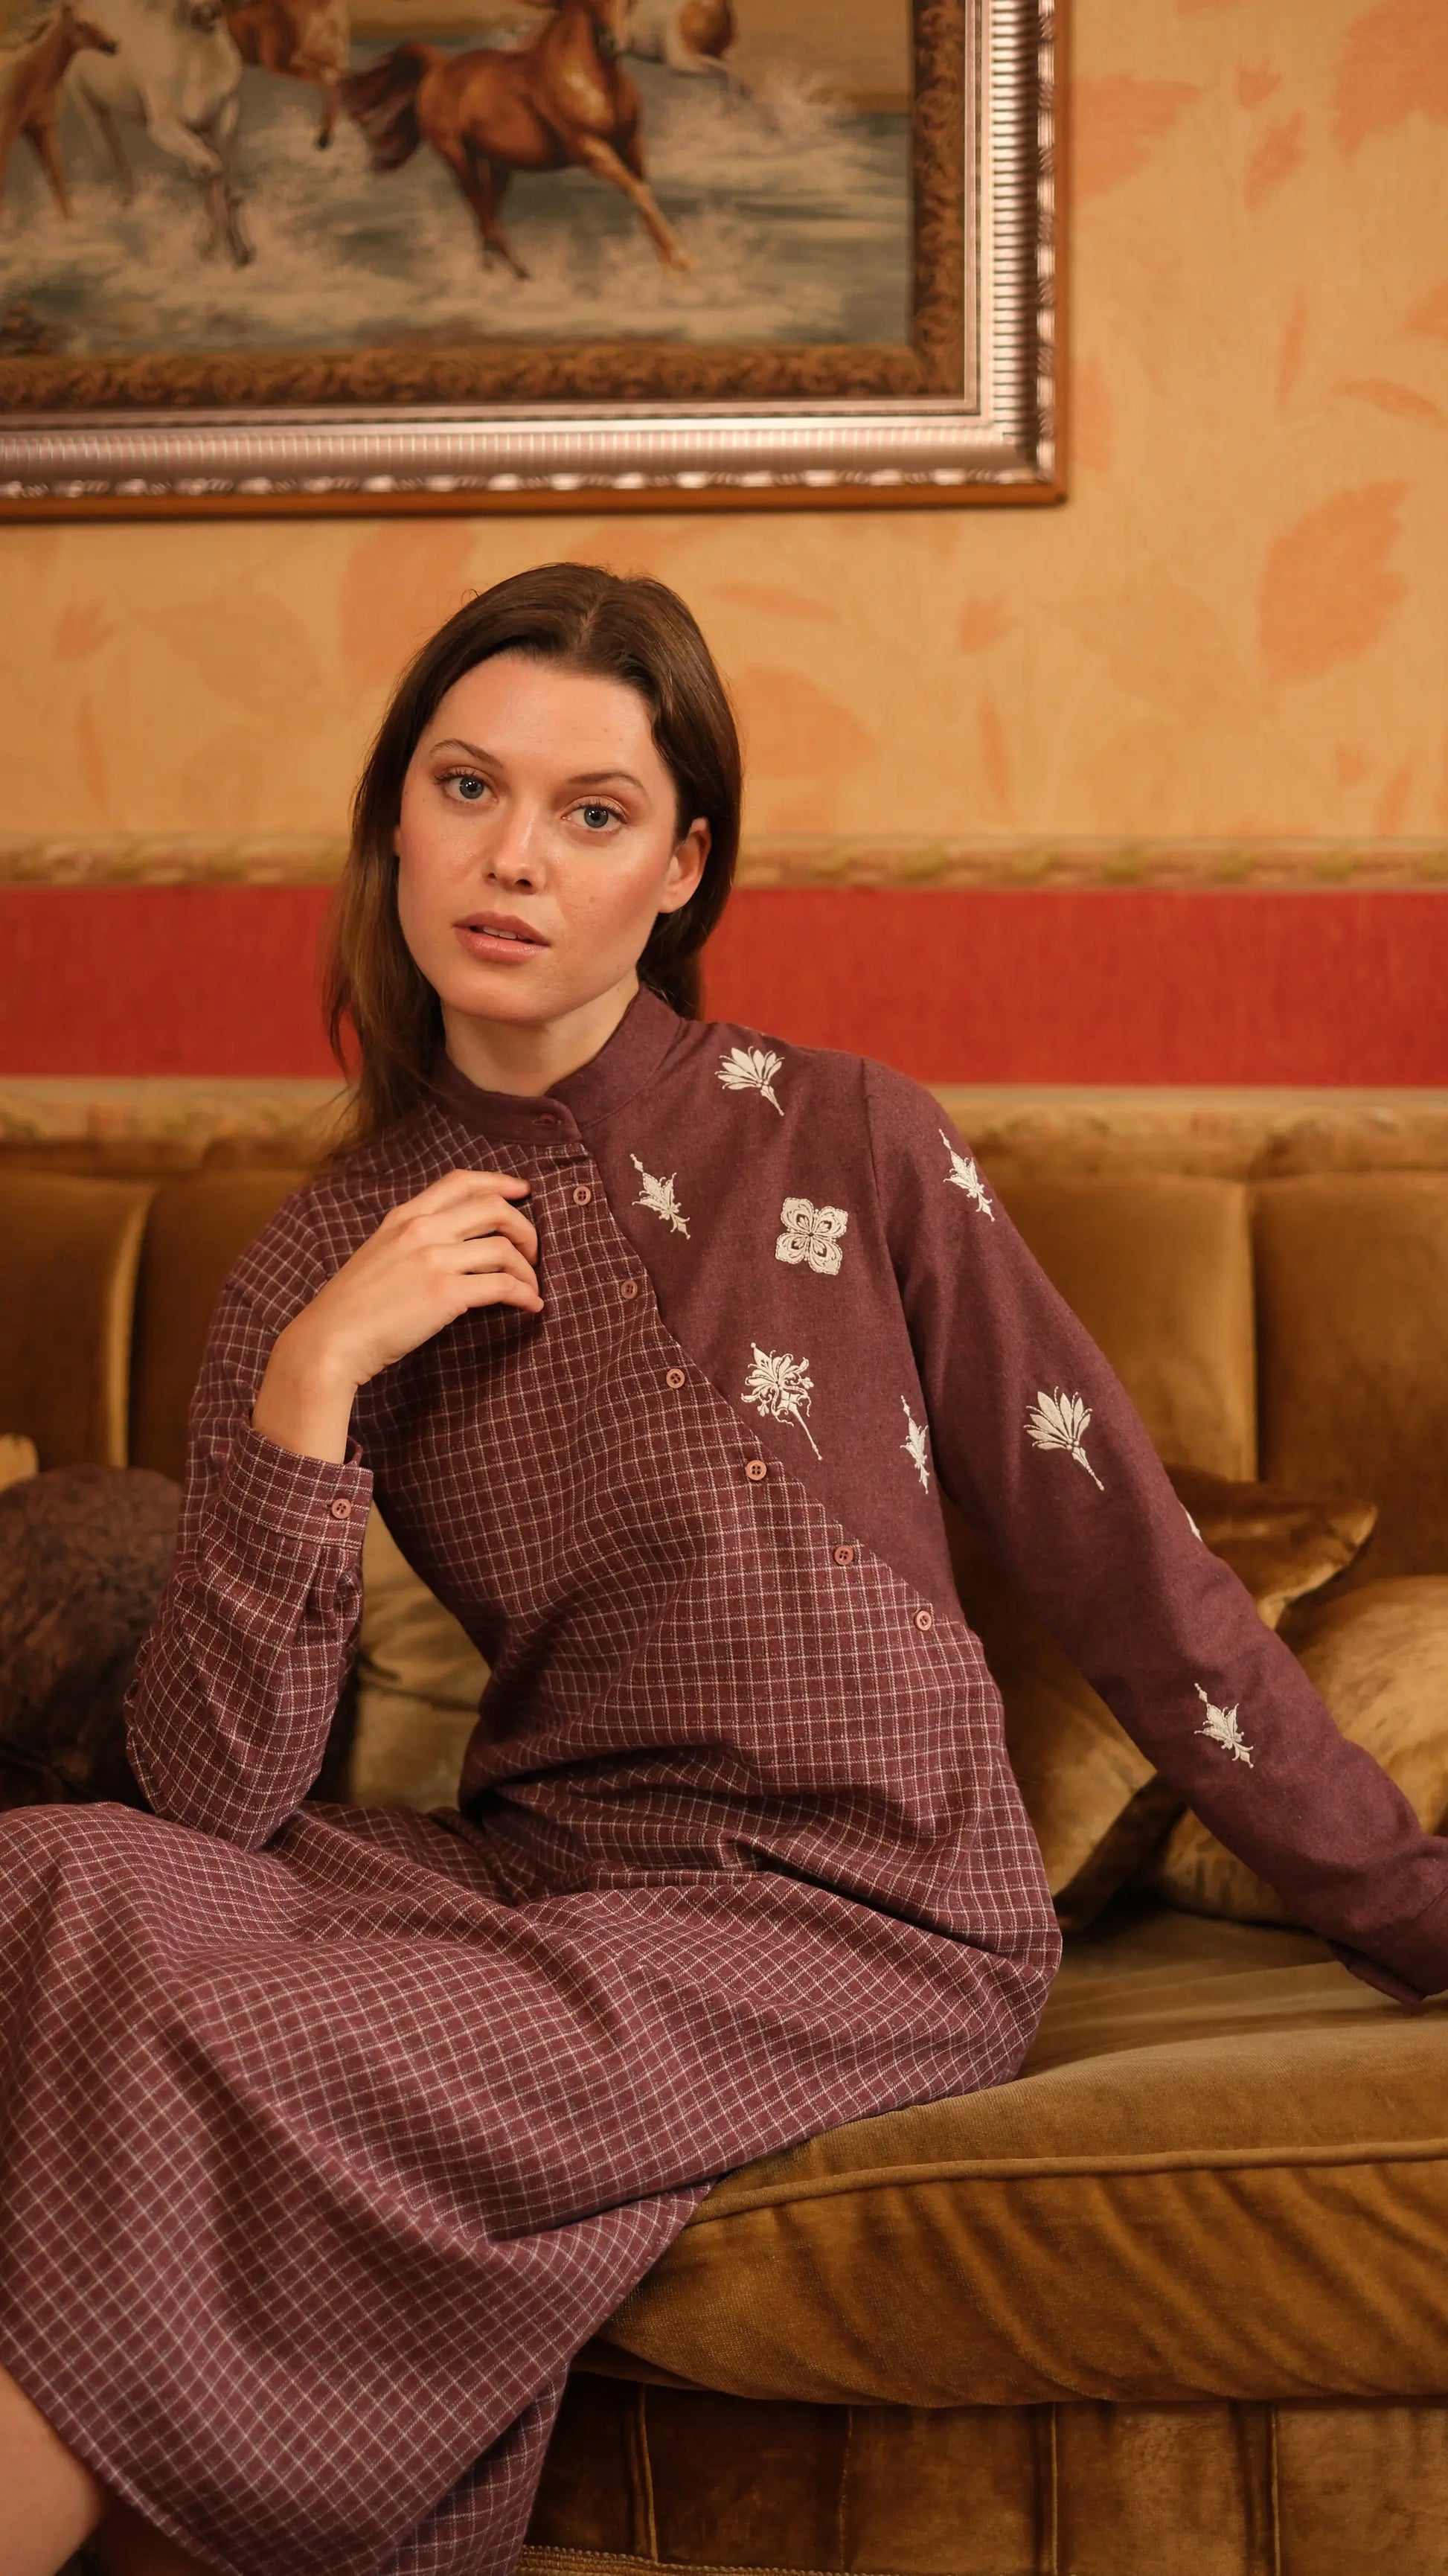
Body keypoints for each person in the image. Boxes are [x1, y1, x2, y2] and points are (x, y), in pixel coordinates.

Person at [2, 562, 1446, 2576]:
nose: (514, 859)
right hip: (550, 1873)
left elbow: (1126, 1564)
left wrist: (1411, 1911)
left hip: (864, 1915)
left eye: (591, 812)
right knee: (48, 1880)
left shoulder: (849, 1140)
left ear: (678, 869)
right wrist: (311, 1388)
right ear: (395, 821)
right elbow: (217, 1803)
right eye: (466, 787)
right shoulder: (323, 1264)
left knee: (245, 2048)